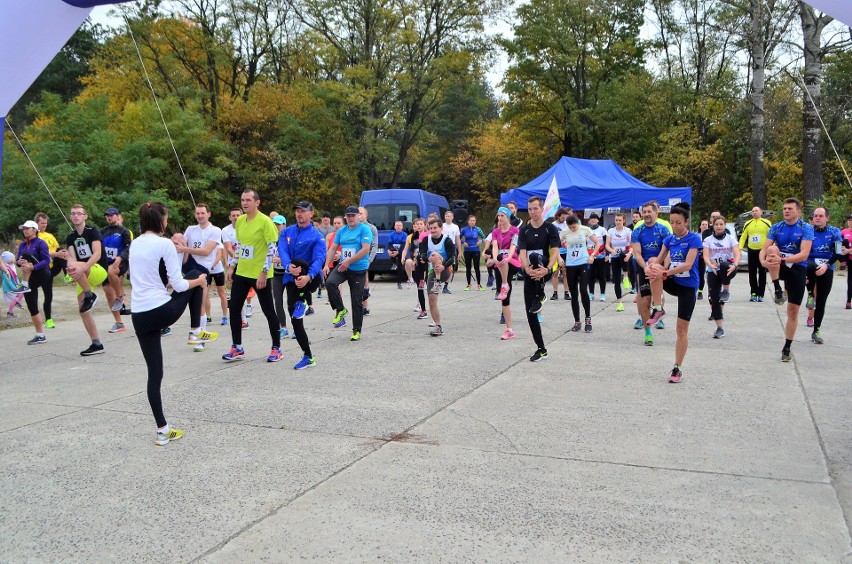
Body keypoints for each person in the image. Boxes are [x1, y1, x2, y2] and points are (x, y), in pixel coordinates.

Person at [130, 201, 218, 446]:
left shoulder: (135, 243)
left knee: (154, 374)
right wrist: (200, 281)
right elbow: (179, 285)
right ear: (161, 220)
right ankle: (195, 330)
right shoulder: (164, 244)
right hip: (161, 310)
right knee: (196, 276)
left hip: (139, 314)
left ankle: (162, 429)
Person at [221, 190, 283, 362]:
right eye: (242, 200)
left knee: (268, 310)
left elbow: (272, 248)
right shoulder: (240, 220)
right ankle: (237, 347)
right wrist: (232, 266)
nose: (245, 203)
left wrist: (263, 272)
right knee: (234, 308)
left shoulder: (265, 222)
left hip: (260, 274)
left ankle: (276, 348)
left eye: (248, 200)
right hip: (242, 271)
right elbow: (240, 245)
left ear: (257, 202)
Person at [645, 202, 702, 383]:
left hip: (687, 286)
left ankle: (677, 368)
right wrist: (651, 267)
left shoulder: (694, 239)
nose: (675, 226)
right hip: (673, 281)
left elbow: (688, 265)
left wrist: (665, 272)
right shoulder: (669, 239)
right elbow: (659, 260)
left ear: (686, 222)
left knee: (681, 329)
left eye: (678, 223)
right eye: (672, 222)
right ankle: (658, 307)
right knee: (654, 268)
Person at [759, 197, 814, 362]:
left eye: (790, 208)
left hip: (797, 267)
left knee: (793, 311)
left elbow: (804, 254)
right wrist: (763, 262)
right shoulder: (777, 227)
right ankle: (777, 288)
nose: (786, 211)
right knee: (772, 248)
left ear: (798, 211)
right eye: (784, 209)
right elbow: (764, 249)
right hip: (779, 265)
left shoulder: (806, 228)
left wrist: (782, 260)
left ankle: (787, 346)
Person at [279, 201, 327, 368]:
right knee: (295, 320)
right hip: (291, 278)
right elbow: (282, 250)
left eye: (303, 211)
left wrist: (309, 276)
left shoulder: (317, 236)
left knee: (300, 261)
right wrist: (288, 267)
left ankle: (305, 301)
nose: (300, 214)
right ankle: (308, 356)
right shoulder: (286, 232)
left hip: (309, 279)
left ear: (311, 214)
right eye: (297, 211)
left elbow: (319, 259)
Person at [64, 204, 110, 356]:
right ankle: (96, 343)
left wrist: (82, 267)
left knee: (77, 267)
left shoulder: (93, 231)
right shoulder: (70, 236)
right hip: (82, 274)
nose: (76, 216)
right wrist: (71, 268)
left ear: (85, 216)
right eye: (73, 214)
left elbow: (97, 254)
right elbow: (72, 258)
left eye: (79, 213)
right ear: (70, 217)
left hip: (98, 269)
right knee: (83, 310)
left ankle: (90, 295)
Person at [518, 196, 560, 361]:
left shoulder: (550, 228)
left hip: (545, 268)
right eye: (530, 209)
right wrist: (526, 269)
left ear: (542, 209)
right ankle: (541, 349)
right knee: (530, 312)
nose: (532, 212)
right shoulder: (524, 230)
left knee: (536, 256)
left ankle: (541, 294)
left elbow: (555, 251)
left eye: (535, 208)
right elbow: (521, 253)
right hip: (531, 272)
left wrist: (547, 269)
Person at [324, 206, 373, 341]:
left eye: (353, 215)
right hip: (343, 266)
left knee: (356, 300)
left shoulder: (364, 229)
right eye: (348, 216)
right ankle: (340, 309)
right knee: (330, 283)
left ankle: (356, 330)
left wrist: (349, 261)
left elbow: (365, 250)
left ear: (358, 216)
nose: (351, 218)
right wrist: (326, 265)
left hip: (358, 269)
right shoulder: (342, 231)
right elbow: (333, 248)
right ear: (346, 217)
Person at [630, 200, 672, 346]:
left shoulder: (663, 229)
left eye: (649, 211)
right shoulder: (637, 231)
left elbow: (667, 252)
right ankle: (648, 332)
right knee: (645, 300)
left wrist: (665, 269)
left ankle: (659, 311)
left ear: (656, 212)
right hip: (644, 268)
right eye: (645, 212)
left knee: (658, 296)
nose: (647, 214)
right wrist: (646, 268)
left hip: (660, 267)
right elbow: (637, 254)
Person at [805, 207, 845, 344]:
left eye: (821, 216)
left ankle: (816, 330)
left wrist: (827, 265)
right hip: (809, 263)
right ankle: (810, 295)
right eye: (815, 215)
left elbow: (839, 252)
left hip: (827, 265)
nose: (817, 218)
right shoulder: (808, 231)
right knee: (809, 266)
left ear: (827, 218)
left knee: (821, 301)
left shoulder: (834, 231)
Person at [13, 220, 52, 344]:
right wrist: (19, 263)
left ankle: (23, 285)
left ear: (34, 230)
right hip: (30, 278)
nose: (24, 230)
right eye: (23, 228)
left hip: (43, 273)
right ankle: (40, 335)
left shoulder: (41, 243)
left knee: (27, 255)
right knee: (32, 306)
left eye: (27, 228)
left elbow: (46, 260)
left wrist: (33, 267)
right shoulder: (23, 244)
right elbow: (18, 260)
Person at [703, 216, 740, 339]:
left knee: (724, 265)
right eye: (716, 224)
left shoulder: (730, 238)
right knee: (714, 300)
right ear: (713, 226)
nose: (718, 226)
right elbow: (706, 256)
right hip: (713, 271)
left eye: (721, 224)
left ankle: (726, 290)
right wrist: (710, 265)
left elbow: (737, 253)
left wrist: (735, 265)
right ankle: (719, 328)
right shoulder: (708, 240)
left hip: (729, 269)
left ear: (724, 226)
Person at [488, 207, 521, 340]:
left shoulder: (515, 230)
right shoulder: (495, 231)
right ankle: (509, 329)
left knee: (504, 260)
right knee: (505, 299)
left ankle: (505, 284)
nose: (500, 218)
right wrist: (495, 258)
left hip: (512, 261)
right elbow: (495, 246)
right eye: (498, 216)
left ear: (508, 217)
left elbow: (514, 246)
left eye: (502, 215)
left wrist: (507, 257)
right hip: (500, 263)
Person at [560, 215, 597, 332]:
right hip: (570, 264)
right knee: (574, 294)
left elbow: (598, 243)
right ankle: (577, 321)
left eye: (574, 227)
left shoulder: (585, 229)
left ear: (578, 223)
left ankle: (588, 318)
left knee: (583, 290)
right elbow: (554, 246)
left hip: (583, 262)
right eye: (570, 228)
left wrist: (592, 255)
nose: (573, 229)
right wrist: (559, 258)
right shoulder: (564, 232)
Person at [419, 217, 455, 336]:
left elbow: (452, 258)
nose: (433, 230)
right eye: (431, 228)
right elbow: (422, 254)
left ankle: (439, 282)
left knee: (435, 254)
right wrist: (427, 258)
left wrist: (443, 265)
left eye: (435, 228)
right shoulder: (425, 240)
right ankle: (438, 326)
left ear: (441, 228)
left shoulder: (447, 240)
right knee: (432, 300)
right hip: (432, 272)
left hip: (444, 270)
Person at [100, 207, 133, 334]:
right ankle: (119, 322)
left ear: (117, 216)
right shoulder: (102, 231)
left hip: (120, 262)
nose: (109, 217)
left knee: (112, 272)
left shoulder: (124, 231)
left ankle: (120, 296)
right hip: (105, 263)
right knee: (108, 292)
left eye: (112, 215)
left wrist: (120, 258)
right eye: (107, 215)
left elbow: (129, 247)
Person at [33, 212, 62, 327]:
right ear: (37, 223)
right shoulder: (34, 236)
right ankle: (39, 318)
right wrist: (55, 254)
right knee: (35, 295)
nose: (44, 225)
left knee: (48, 295)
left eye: (45, 223)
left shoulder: (50, 236)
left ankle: (48, 319)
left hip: (49, 269)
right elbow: (41, 253)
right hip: (38, 269)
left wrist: (62, 252)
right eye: (42, 223)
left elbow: (58, 247)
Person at [739, 206, 772, 302]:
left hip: (762, 250)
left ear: (761, 212)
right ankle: (753, 293)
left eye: (756, 211)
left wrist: (770, 249)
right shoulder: (748, 223)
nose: (754, 212)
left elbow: (771, 236)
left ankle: (761, 293)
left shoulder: (766, 223)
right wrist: (739, 249)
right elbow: (743, 237)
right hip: (751, 250)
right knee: (752, 272)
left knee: (762, 272)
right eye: (753, 211)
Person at [605, 213, 632, 312]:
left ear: (624, 221)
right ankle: (620, 302)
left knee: (622, 253)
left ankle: (625, 276)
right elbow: (607, 245)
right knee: (616, 281)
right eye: (616, 220)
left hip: (625, 255)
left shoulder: (627, 231)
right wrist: (612, 251)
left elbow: (632, 244)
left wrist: (629, 254)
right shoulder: (611, 231)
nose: (618, 222)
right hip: (614, 256)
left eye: (620, 220)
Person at [270, 214, 291, 341]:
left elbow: (294, 257)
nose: (276, 227)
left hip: (288, 274)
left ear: (284, 225)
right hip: (276, 275)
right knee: (277, 302)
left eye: (278, 224)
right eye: (274, 224)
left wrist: (281, 260)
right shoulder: (271, 239)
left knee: (291, 303)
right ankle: (283, 328)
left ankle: (297, 327)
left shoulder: (289, 239)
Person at [220, 207, 242, 326]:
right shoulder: (225, 230)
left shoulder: (246, 227)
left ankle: (246, 312)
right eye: (233, 215)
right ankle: (240, 319)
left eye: (238, 215)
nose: (236, 217)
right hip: (235, 263)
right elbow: (228, 248)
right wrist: (232, 262)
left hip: (248, 264)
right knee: (236, 291)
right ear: (230, 217)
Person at [359, 206, 379, 314]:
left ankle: (365, 304)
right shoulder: (354, 227)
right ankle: (364, 307)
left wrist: (369, 260)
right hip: (356, 256)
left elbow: (374, 245)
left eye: (361, 213)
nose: (359, 215)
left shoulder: (372, 228)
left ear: (366, 215)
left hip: (367, 257)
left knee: (363, 275)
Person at [459, 214, 485, 291]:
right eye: (471, 220)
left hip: (476, 250)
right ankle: (468, 285)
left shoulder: (478, 229)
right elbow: (458, 238)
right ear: (468, 221)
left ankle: (479, 285)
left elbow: (484, 237)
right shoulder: (464, 229)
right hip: (467, 251)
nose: (472, 222)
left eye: (474, 220)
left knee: (477, 267)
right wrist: (463, 242)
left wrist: (480, 241)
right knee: (468, 268)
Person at [585, 213, 607, 301]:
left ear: (598, 220)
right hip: (590, 256)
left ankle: (602, 294)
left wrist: (607, 254)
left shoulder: (602, 230)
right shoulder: (587, 230)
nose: (593, 220)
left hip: (601, 255)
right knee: (591, 275)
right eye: (591, 219)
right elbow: (584, 243)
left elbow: (606, 242)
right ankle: (591, 293)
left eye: (595, 218)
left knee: (602, 275)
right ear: (589, 221)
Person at [550, 208, 570, 301]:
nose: (564, 219)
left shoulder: (567, 225)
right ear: (558, 215)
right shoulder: (553, 225)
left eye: (565, 217)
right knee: (555, 272)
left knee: (565, 272)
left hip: (566, 251)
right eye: (562, 217)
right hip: (556, 251)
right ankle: (555, 292)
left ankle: (566, 292)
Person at [387, 220, 408, 289]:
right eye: (397, 225)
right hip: (394, 250)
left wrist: (398, 252)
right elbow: (389, 243)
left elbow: (403, 245)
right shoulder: (392, 234)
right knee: (391, 251)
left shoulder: (404, 234)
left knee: (400, 268)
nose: (398, 227)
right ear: (394, 227)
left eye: (400, 225)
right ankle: (394, 263)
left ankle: (399, 283)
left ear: (402, 227)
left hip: (401, 252)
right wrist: (389, 250)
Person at [696, 219, 709, 300]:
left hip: (703, 258)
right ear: (700, 226)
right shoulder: (696, 236)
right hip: (695, 257)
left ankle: (700, 292)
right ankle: (693, 290)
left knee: (701, 275)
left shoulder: (710, 237)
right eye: (703, 224)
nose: (704, 226)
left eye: (706, 224)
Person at [842, 214, 852, 309]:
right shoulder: (844, 231)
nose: (850, 222)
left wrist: (849, 250)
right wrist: (843, 248)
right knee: (850, 281)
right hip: (849, 258)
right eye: (849, 220)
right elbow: (838, 242)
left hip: (849, 252)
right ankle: (849, 300)